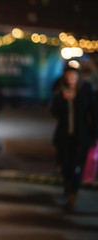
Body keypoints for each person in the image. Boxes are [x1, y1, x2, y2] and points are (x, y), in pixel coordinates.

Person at [51, 66, 98, 211]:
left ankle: (72, 200)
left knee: (76, 167)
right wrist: (63, 100)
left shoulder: (85, 91)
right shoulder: (61, 91)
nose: (71, 80)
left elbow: (94, 114)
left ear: (78, 78)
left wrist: (94, 135)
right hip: (64, 137)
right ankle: (67, 190)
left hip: (80, 137)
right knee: (65, 166)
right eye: (69, 77)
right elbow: (54, 112)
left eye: (74, 77)